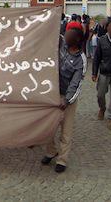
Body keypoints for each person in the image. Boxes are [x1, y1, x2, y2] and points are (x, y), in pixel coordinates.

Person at [41, 28, 86, 173]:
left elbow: (76, 83)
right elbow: (53, 31)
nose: (65, 37)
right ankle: (51, 151)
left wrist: (66, 101)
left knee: (66, 131)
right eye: (65, 35)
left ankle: (62, 159)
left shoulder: (81, 60)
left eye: (69, 35)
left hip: (67, 99)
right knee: (48, 128)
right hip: (52, 95)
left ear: (77, 40)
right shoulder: (62, 47)